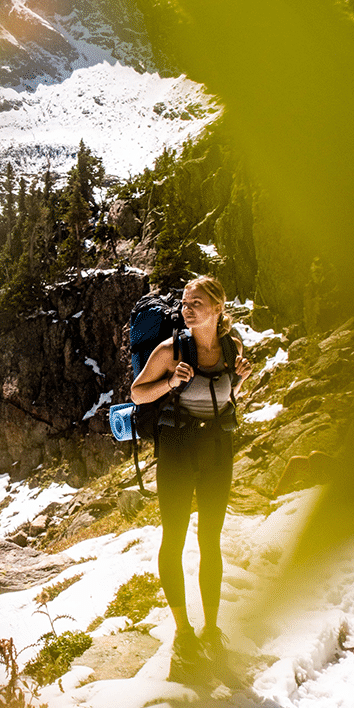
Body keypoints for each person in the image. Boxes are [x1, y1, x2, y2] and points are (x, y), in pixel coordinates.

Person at [131, 276, 252, 683]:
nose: (188, 308)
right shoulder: (170, 350)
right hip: (179, 447)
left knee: (211, 539)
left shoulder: (232, 349)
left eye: (197, 302)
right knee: (175, 536)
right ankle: (184, 633)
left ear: (217, 309)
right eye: (185, 302)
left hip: (217, 447)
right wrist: (170, 382)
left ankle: (211, 629)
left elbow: (225, 396)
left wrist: (240, 379)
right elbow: (137, 393)